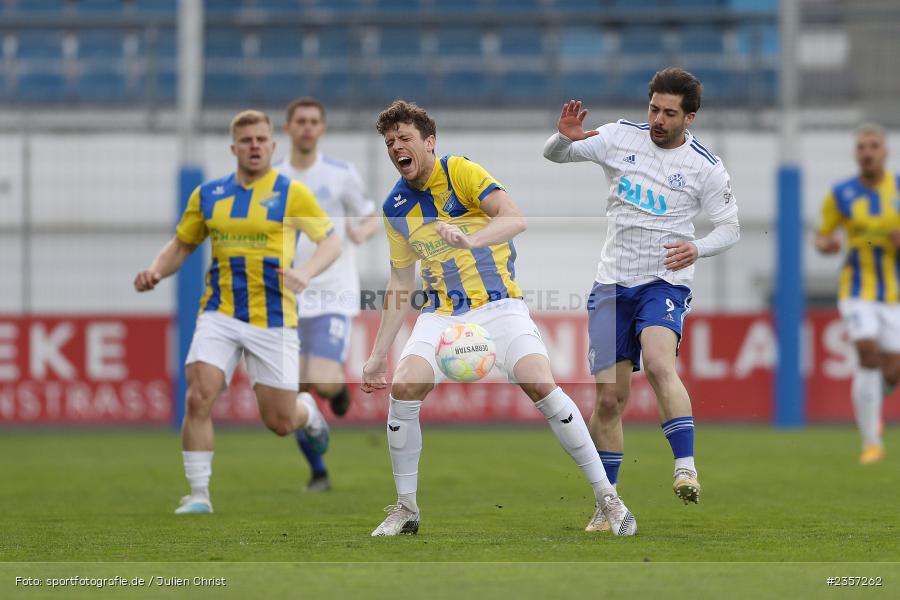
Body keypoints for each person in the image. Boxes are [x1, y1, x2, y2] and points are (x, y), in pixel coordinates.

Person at [361, 100, 637, 537]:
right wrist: (378, 355)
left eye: (405, 138)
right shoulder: (395, 206)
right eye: (390, 142)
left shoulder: (460, 172)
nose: (397, 147)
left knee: (540, 383)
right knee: (403, 386)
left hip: (499, 306)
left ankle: (608, 499)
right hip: (441, 314)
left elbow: (514, 219)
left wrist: (470, 240)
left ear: (429, 142)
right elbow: (400, 281)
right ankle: (406, 508)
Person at [543, 67, 740, 531]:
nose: (658, 119)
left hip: (663, 282)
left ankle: (685, 467)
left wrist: (697, 248)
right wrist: (562, 136)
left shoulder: (705, 167)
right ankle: (607, 502)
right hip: (612, 285)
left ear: (689, 118)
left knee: (657, 362)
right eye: (654, 108)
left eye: (669, 113)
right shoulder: (618, 137)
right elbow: (556, 155)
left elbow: (730, 227)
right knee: (610, 400)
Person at [134, 109, 341, 514]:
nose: (255, 146)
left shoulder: (292, 193)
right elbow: (182, 244)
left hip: (274, 317)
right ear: (234, 148)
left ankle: (308, 412)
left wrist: (305, 272)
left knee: (280, 423)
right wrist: (156, 271)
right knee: (199, 395)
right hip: (220, 312)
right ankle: (199, 495)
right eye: (246, 141)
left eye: (261, 140)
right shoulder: (208, 195)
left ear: (273, 146)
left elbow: (331, 242)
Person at [276, 97, 380, 492]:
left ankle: (337, 391)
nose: (306, 127)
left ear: (321, 129)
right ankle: (318, 472)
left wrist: (361, 232)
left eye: (313, 121)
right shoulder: (273, 178)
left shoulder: (340, 174)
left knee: (319, 381)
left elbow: (370, 215)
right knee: (293, 392)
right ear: (288, 128)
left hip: (332, 292)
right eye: (300, 121)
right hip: (287, 294)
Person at [815, 123, 900, 465]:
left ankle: (871, 406)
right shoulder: (841, 193)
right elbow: (822, 235)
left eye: (873, 146)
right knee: (866, 352)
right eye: (862, 147)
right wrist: (827, 245)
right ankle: (871, 443)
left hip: (892, 294)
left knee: (892, 373)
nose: (867, 152)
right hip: (856, 289)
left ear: (885, 152)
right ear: (856, 154)